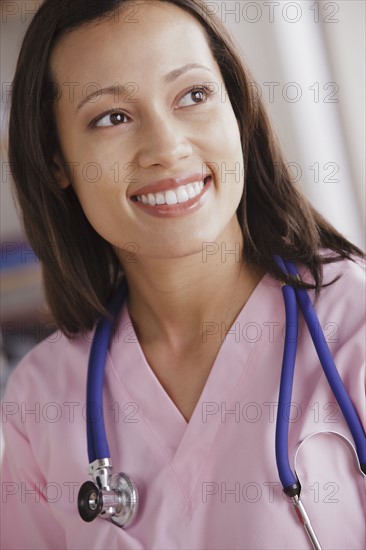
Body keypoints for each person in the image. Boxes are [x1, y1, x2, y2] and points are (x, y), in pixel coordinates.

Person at [1, 0, 365, 548]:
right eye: (111, 117)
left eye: (193, 95)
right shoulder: (40, 400)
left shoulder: (355, 323)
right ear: (57, 161)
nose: (167, 148)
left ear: (236, 107)